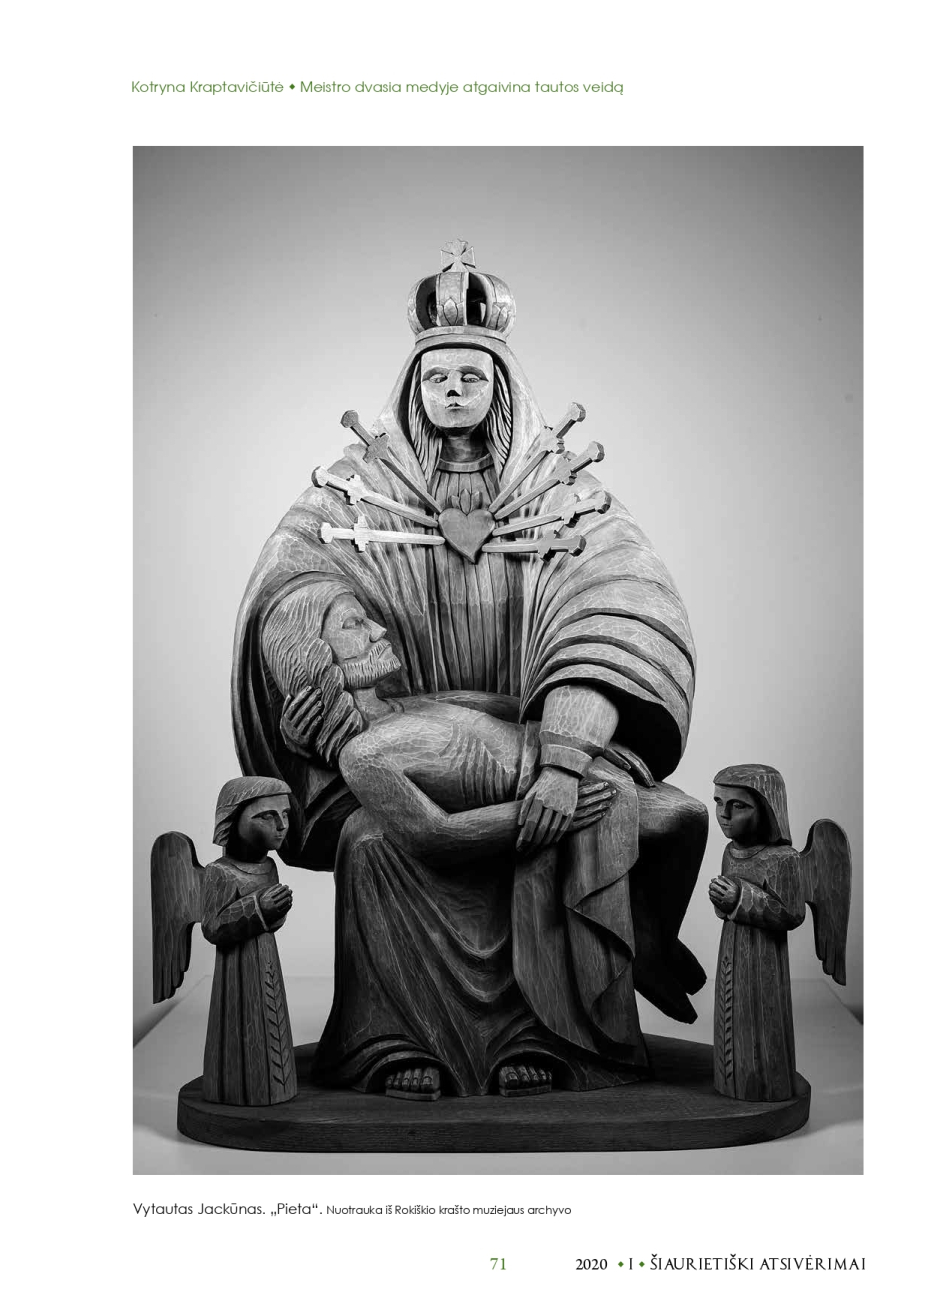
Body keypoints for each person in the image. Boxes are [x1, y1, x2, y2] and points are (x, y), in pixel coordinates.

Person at [232, 242, 708, 1085]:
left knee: (643, 816)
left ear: (503, 387)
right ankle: (395, 1045)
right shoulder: (356, 492)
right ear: (410, 389)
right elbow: (291, 586)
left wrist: (563, 757)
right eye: (435, 378)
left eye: (471, 376)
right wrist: (313, 689)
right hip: (405, 743)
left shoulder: (564, 495)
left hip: (541, 739)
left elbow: (619, 613)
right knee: (375, 842)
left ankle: (547, 1042)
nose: (451, 391)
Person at [261, 577, 687, 1098]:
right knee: (367, 840)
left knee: (686, 818)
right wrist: (536, 814)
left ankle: (653, 947)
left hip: (557, 767)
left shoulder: (413, 706)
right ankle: (429, 1041)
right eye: (354, 624)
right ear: (316, 659)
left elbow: (506, 707)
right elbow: (433, 833)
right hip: (541, 799)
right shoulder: (362, 754)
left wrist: (581, 746)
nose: (378, 630)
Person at [709, 765, 804, 1102]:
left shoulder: (782, 859)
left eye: (738, 805)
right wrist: (723, 900)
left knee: (761, 1018)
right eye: (719, 802)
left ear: (767, 808)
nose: (724, 814)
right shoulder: (730, 852)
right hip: (732, 949)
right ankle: (730, 1079)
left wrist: (739, 897)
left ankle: (764, 1086)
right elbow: (727, 904)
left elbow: (791, 912)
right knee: (730, 1012)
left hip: (764, 958)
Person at [201, 777, 297, 1105]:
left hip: (266, 960)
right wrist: (259, 907)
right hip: (236, 968)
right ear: (232, 819)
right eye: (267, 816)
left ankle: (276, 1085)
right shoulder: (220, 872)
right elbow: (213, 927)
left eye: (285, 814)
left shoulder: (268, 866)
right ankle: (239, 1088)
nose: (282, 825)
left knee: (271, 1021)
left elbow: (273, 923)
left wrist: (276, 912)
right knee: (243, 1026)